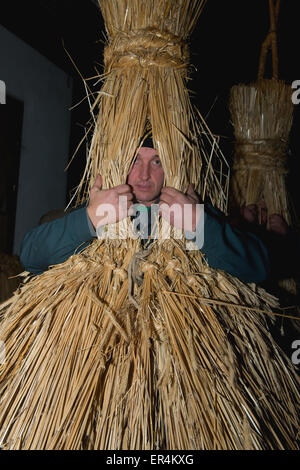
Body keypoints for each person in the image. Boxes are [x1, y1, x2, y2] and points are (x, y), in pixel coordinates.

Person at [20, 146, 270, 283]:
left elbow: (259, 269)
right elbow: (31, 257)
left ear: (172, 164)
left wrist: (199, 225)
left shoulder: (194, 212)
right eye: (135, 160)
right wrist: (90, 219)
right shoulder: (98, 210)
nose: (143, 175)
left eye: (157, 161)